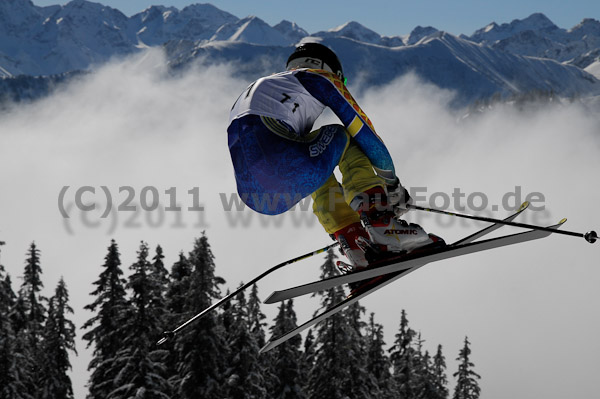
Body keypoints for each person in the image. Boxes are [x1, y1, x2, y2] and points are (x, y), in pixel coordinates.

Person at [227, 42, 444, 275]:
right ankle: (383, 225)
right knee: (345, 136)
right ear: (333, 72)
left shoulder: (267, 88)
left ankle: (354, 241)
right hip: (286, 165)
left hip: (256, 197)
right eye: (343, 82)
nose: (342, 86)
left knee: (312, 155)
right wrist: (391, 185)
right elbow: (366, 134)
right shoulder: (318, 78)